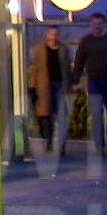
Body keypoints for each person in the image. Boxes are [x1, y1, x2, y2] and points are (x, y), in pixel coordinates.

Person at [72, 12, 107, 158]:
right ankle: (99, 145)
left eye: (99, 24)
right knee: (96, 114)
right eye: (94, 24)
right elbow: (79, 63)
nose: (97, 26)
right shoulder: (85, 42)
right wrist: (75, 81)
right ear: (91, 25)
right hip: (94, 82)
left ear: (104, 25)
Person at [26, 25, 71, 159]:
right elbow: (35, 69)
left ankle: (61, 144)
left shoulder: (63, 49)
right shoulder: (39, 49)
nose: (54, 37)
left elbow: (68, 68)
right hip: (45, 86)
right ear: (47, 34)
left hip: (60, 85)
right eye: (52, 34)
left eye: (56, 34)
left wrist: (71, 84)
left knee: (61, 115)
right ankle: (49, 141)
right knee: (47, 116)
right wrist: (32, 86)